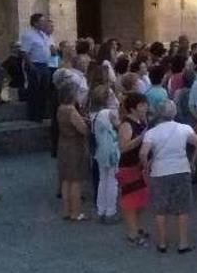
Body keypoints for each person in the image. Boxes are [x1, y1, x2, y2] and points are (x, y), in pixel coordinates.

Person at [140, 100, 197, 253]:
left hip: (160, 171)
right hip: (181, 169)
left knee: (160, 209)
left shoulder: (151, 133)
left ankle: (162, 243)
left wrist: (146, 165)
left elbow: (143, 153)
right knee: (182, 208)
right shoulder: (184, 128)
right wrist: (193, 161)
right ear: (174, 112)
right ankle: (183, 243)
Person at [118, 93, 150, 247]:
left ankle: (137, 228)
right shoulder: (126, 124)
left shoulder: (140, 120)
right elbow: (123, 147)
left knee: (140, 200)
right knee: (130, 201)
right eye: (142, 105)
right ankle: (132, 233)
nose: (145, 107)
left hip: (139, 165)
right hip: (129, 166)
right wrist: (142, 137)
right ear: (133, 108)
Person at [56, 84, 89, 221]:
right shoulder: (71, 110)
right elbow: (82, 129)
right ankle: (76, 212)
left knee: (65, 179)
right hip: (74, 146)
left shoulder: (60, 109)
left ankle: (66, 211)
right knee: (75, 180)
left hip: (63, 143)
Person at [91, 87, 120, 224]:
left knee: (103, 180)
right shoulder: (109, 113)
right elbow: (119, 126)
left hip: (100, 149)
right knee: (112, 181)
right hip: (111, 150)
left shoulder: (94, 114)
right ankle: (111, 211)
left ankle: (101, 209)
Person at [20, 13, 53, 122]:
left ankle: (41, 114)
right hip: (35, 64)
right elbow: (24, 52)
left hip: (44, 64)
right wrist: (31, 65)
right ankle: (33, 115)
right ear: (35, 23)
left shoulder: (43, 34)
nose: (44, 23)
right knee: (35, 90)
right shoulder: (28, 35)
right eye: (42, 21)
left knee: (44, 90)